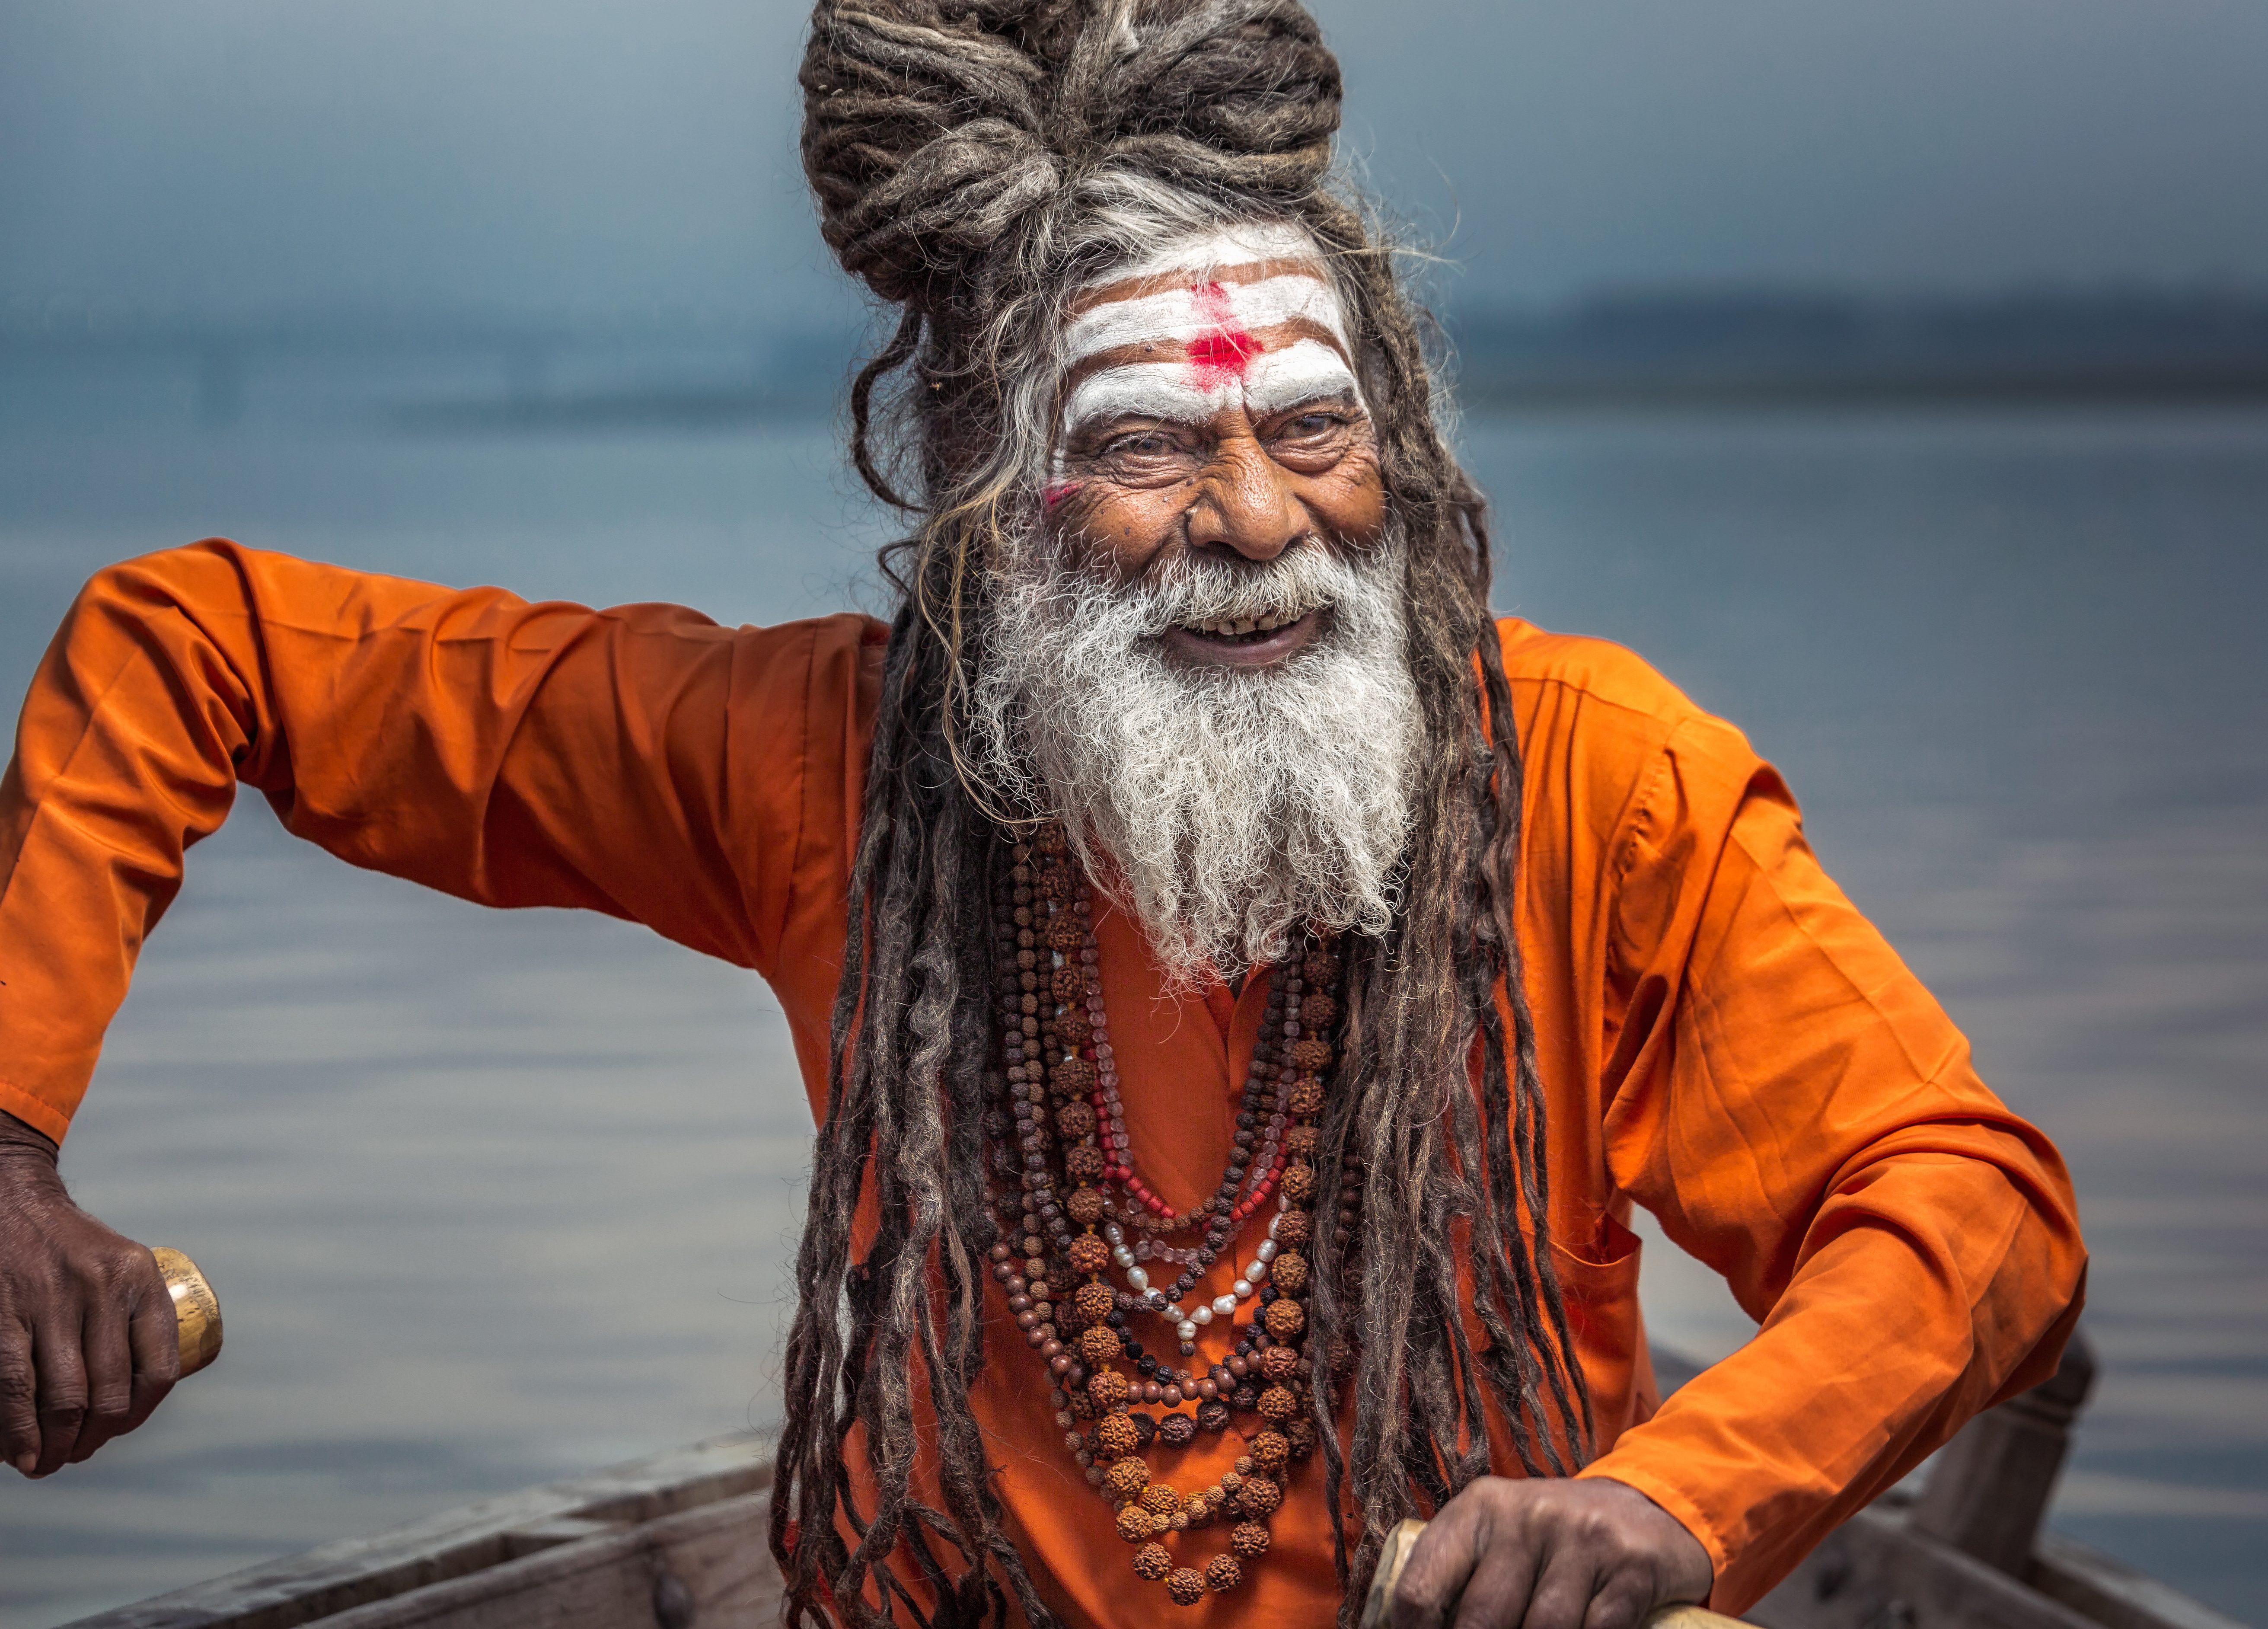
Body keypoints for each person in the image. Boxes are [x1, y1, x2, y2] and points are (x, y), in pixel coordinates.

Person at [0, 3, 2086, 1626]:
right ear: (992, 505)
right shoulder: (811, 764)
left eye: (1310, 426)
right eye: (1153, 443)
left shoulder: (1598, 786)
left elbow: (1965, 1207)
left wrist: (1664, 1503)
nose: (1257, 519)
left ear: (1404, 444)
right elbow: (199, 644)